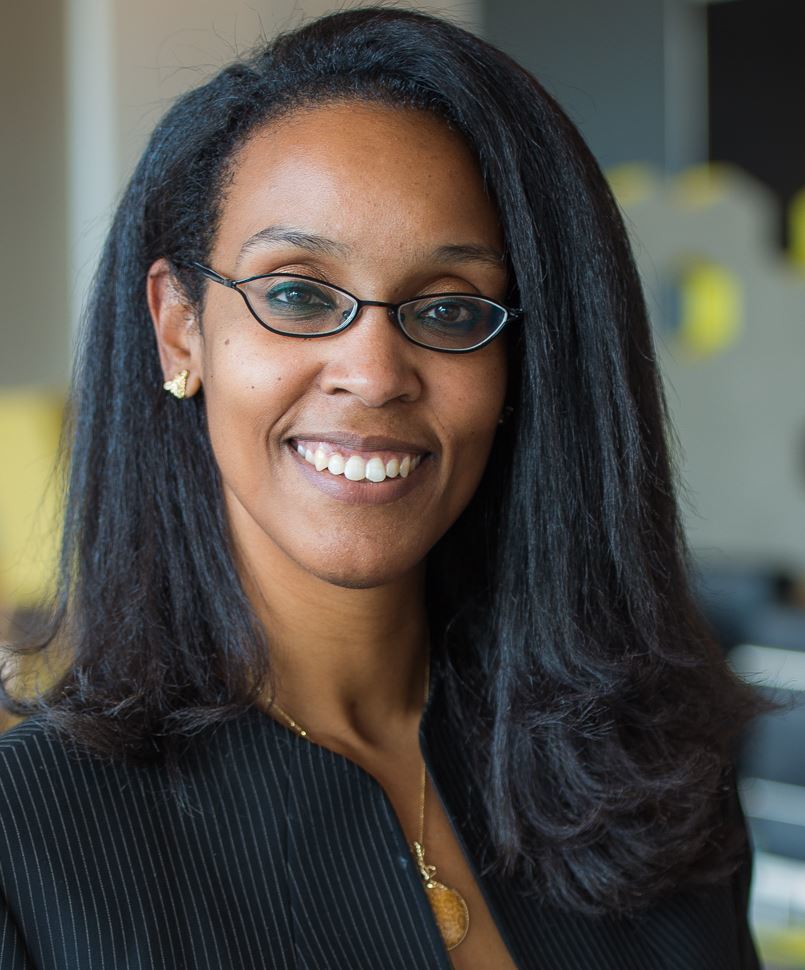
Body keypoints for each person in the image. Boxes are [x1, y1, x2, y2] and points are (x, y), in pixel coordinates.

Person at [0, 7, 766, 968]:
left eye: (448, 308)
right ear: (180, 328)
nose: (372, 372)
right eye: (294, 293)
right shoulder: (26, 848)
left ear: (523, 366)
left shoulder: (655, 774)